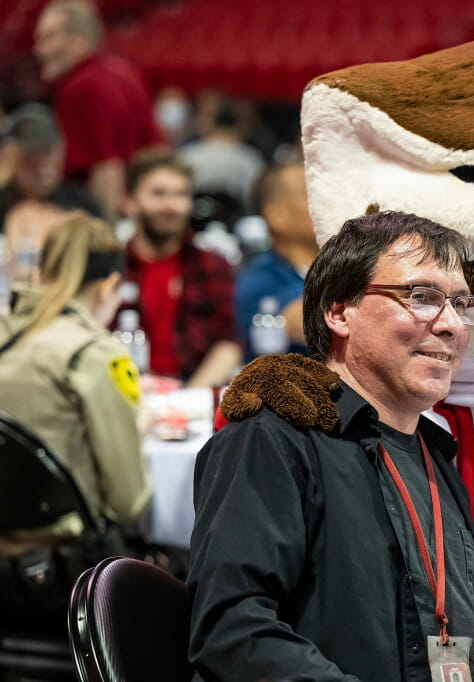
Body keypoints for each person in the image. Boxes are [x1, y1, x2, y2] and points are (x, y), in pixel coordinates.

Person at [188, 211, 474, 681]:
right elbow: (231, 629)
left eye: (460, 303)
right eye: (422, 297)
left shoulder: (436, 454)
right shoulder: (273, 438)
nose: (451, 324)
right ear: (339, 312)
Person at [0, 211, 150, 559]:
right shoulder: (94, 355)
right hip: (61, 561)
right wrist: (136, 430)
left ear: (42, 271)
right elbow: (129, 502)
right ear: (111, 285)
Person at [120, 149, 242, 387]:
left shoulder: (213, 265)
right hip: (121, 395)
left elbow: (229, 344)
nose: (170, 205)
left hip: (192, 398)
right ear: (129, 202)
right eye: (158, 193)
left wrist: (187, 399)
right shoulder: (113, 267)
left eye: (181, 194)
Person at [33, 0, 163, 221]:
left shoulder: (80, 86)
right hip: (144, 204)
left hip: (109, 210)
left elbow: (107, 166)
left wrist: (102, 234)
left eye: (48, 38)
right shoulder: (124, 72)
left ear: (79, 41)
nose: (38, 50)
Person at [234, 163, 317, 360]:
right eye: (310, 194)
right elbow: (309, 323)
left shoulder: (346, 269)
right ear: (276, 216)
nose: (326, 201)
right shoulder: (259, 279)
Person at [0, 102, 101, 232]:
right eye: (31, 154)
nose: (40, 164)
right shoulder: (2, 206)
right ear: (9, 156)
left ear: (62, 152)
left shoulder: (83, 206)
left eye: (47, 152)